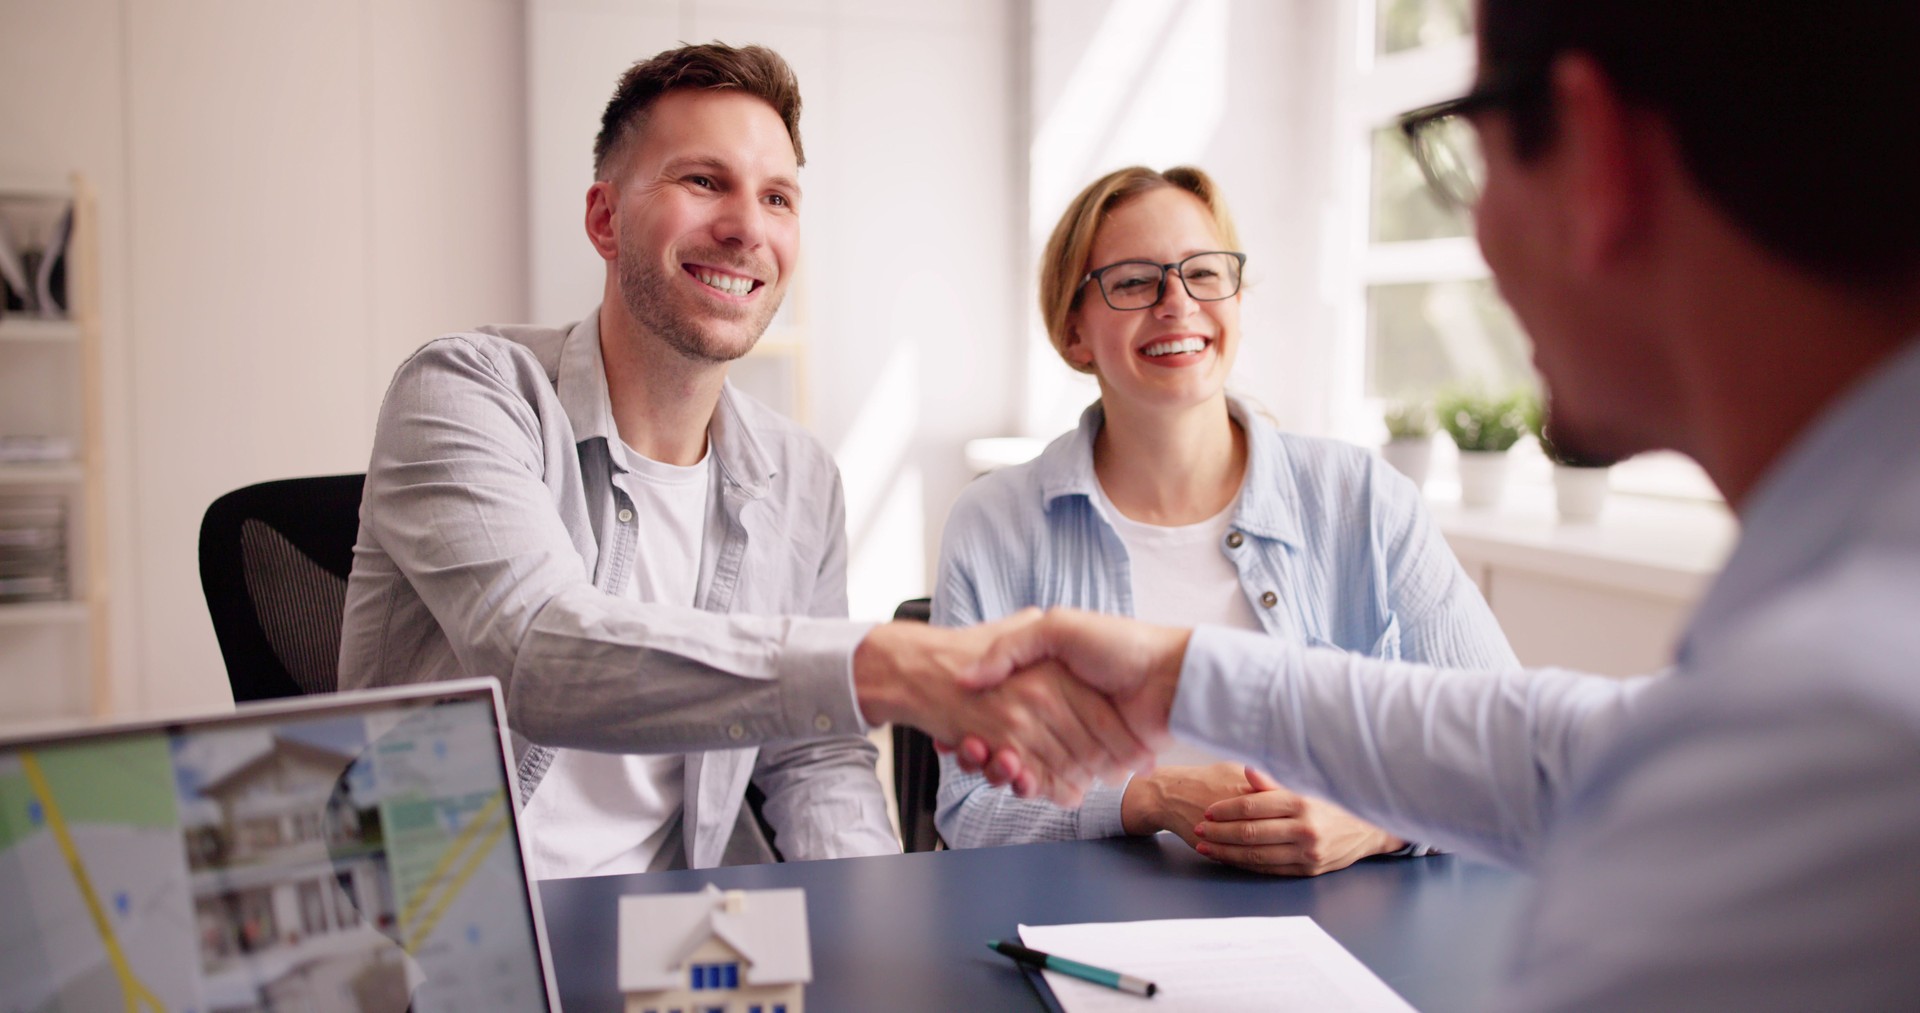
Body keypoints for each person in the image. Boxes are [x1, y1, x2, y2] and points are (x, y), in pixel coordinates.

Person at [962, 1, 1920, 1007]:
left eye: (1469, 149)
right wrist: (1179, 685)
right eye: (1134, 281)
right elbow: (1565, 745)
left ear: (1593, 154)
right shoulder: (1821, 655)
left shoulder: (1834, 719)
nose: (1479, 235)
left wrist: (1347, 806)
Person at [338, 43, 1145, 878]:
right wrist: (885, 667)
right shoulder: (466, 391)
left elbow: (816, 761)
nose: (747, 229)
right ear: (605, 219)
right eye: (703, 181)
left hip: (676, 934)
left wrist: (880, 923)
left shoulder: (800, 476)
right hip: (444, 923)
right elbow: (538, 655)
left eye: (777, 198)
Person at [933, 165, 1515, 875]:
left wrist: (1375, 823)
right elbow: (970, 806)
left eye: (1204, 273)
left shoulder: (1365, 500)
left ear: (1235, 298)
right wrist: (1146, 798)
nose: (1177, 303)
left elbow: (1505, 752)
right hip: (1090, 926)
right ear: (1074, 330)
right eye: (1134, 281)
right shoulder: (994, 525)